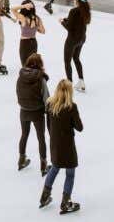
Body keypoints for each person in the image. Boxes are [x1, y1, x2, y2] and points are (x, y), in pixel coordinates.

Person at [39, 78, 83, 213]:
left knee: (55, 168)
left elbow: (48, 126)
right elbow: (79, 127)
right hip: (68, 145)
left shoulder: (50, 105)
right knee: (70, 173)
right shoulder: (71, 107)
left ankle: (44, 196)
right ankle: (65, 202)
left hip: (55, 143)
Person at [16, 53, 50, 176]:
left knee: (24, 135)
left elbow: (18, 93)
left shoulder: (20, 77)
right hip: (37, 112)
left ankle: (21, 159)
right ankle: (43, 165)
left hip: (23, 111)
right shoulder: (41, 79)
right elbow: (46, 98)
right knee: (41, 138)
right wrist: (49, 111)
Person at [60, 0, 90, 91]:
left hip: (72, 40)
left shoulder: (73, 11)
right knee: (76, 58)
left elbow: (69, 27)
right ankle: (81, 82)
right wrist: (66, 20)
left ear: (77, 1)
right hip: (81, 39)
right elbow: (76, 22)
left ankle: (69, 84)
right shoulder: (86, 11)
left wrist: (62, 22)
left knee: (67, 61)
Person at [11, 0, 46, 66]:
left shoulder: (23, 18)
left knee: (25, 65)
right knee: (33, 64)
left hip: (25, 43)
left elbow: (12, 9)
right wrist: (35, 28)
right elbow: (43, 31)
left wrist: (23, 6)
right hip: (34, 43)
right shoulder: (37, 18)